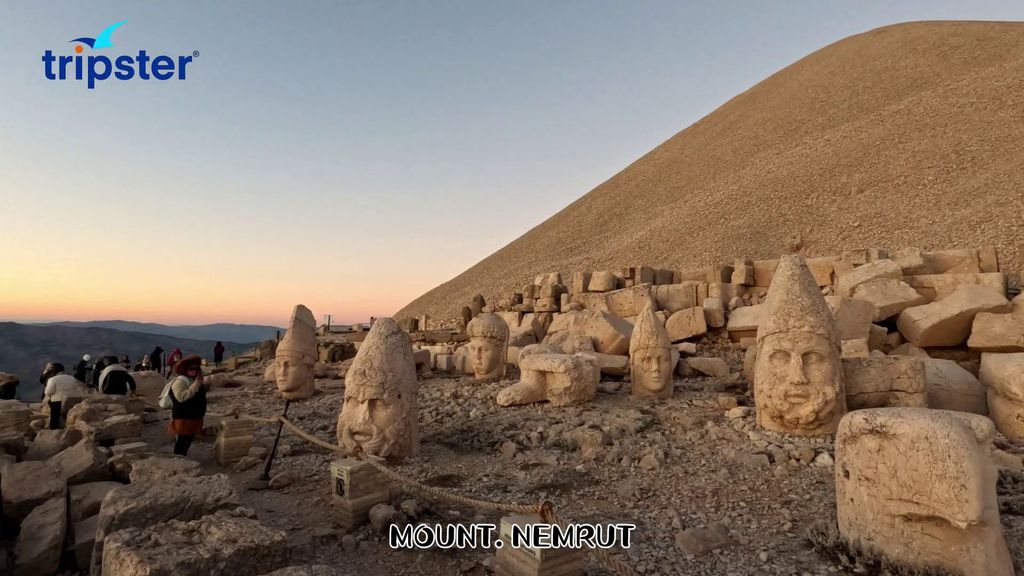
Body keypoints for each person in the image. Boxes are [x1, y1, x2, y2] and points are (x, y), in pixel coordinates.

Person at [167, 355, 209, 456]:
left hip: (194, 416)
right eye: (191, 369)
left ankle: (181, 458)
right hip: (184, 417)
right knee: (182, 441)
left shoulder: (194, 379)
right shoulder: (180, 381)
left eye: (196, 368)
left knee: (188, 440)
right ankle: (178, 461)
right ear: (184, 369)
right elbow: (180, 397)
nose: (194, 371)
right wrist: (194, 387)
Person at [41, 363, 85, 429]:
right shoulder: (72, 378)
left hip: (57, 402)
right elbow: (77, 388)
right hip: (71, 400)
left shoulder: (53, 379)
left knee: (54, 417)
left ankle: (55, 428)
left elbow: (48, 392)